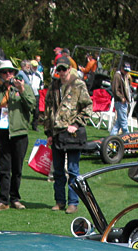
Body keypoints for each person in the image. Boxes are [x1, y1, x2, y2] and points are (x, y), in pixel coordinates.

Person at [43, 56, 93, 214]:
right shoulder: (54, 85)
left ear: (70, 69)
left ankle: (73, 202)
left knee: (73, 170)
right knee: (58, 171)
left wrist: (76, 124)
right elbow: (49, 108)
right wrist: (49, 132)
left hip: (72, 135)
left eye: (64, 69)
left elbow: (88, 107)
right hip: (57, 133)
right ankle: (59, 201)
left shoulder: (78, 85)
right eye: (59, 69)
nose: (62, 72)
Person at [0, 60, 36, 210]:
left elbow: (31, 105)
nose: (7, 74)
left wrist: (21, 90)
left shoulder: (25, 88)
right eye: (4, 72)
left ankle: (15, 198)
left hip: (20, 133)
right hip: (3, 133)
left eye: (10, 71)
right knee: (4, 168)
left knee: (17, 169)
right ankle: (3, 200)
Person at [110, 61, 131, 135]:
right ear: (121, 68)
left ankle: (111, 137)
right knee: (124, 122)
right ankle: (129, 138)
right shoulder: (117, 75)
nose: (126, 72)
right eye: (125, 70)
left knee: (118, 123)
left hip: (124, 102)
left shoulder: (125, 76)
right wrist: (121, 98)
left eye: (127, 71)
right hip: (120, 102)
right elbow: (115, 89)